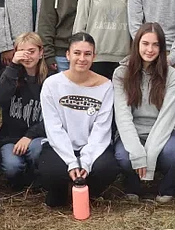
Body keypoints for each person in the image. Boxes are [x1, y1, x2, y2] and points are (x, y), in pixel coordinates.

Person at [39, 32, 119, 208]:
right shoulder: (52, 85)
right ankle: (61, 191)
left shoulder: (105, 86)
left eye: (87, 54)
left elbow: (101, 128)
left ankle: (88, 190)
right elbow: (54, 128)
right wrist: (71, 162)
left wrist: (87, 162)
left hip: (91, 146)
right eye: (77, 53)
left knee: (107, 168)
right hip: (61, 147)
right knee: (50, 171)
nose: (82, 58)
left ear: (94, 56)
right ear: (68, 55)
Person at [113, 23, 175, 203]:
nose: (150, 49)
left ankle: (167, 188)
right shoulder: (121, 73)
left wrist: (150, 157)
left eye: (155, 45)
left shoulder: (172, 76)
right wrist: (138, 154)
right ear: (137, 44)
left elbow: (167, 118)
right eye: (145, 43)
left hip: (165, 130)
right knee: (124, 156)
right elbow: (123, 117)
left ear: (162, 48)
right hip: (133, 131)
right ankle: (133, 187)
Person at [0, 32, 50, 190]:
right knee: (12, 167)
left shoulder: (51, 80)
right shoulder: (9, 75)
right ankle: (19, 182)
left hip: (38, 136)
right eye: (22, 51)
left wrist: (29, 136)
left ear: (41, 52)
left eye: (31, 51)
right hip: (11, 138)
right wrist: (13, 66)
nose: (27, 56)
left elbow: (55, 118)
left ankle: (37, 178)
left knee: (36, 150)